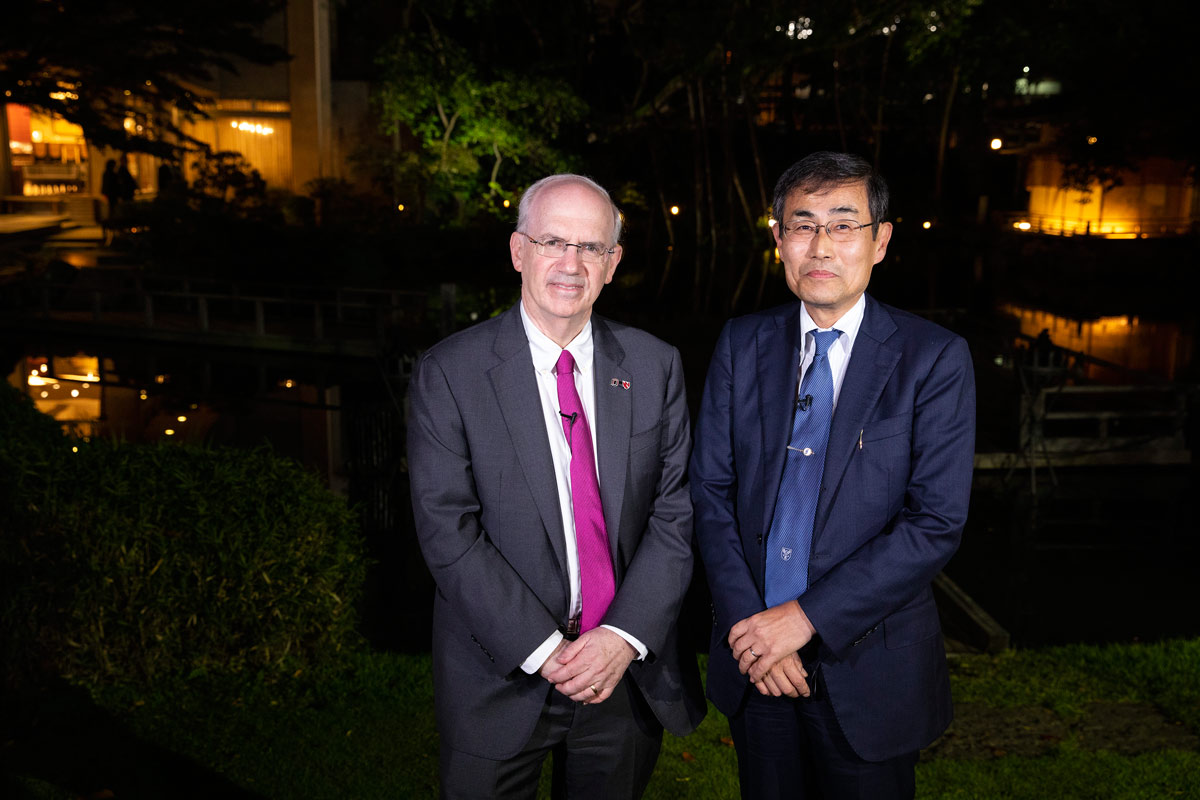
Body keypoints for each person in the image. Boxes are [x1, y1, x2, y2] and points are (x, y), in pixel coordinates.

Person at [408, 173, 705, 798]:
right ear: (519, 251)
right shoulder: (451, 373)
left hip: (619, 676)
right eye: (552, 242)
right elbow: (448, 531)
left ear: (613, 262)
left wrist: (622, 639)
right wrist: (545, 649)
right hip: (499, 671)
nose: (571, 264)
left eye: (591, 247)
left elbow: (675, 515)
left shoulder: (655, 366)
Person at [690, 151, 975, 800]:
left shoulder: (932, 359)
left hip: (870, 665)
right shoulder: (741, 343)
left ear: (881, 240)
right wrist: (752, 628)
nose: (821, 245)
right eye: (802, 224)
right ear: (777, 240)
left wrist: (804, 619)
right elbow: (710, 492)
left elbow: (934, 523)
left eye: (844, 225)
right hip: (756, 661)